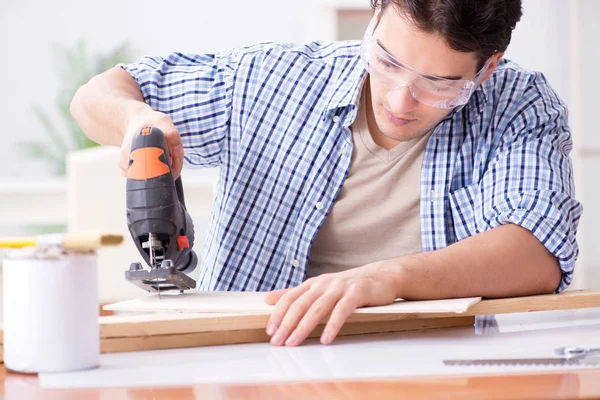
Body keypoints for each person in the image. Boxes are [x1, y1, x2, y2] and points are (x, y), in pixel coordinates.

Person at [71, 0, 582, 347]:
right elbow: (97, 96)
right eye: (387, 61)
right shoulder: (269, 80)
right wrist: (136, 119)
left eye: (438, 84)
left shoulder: (519, 104)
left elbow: (536, 253)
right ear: (374, 14)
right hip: (253, 359)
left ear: (487, 68)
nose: (401, 100)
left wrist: (390, 277)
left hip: (434, 370)